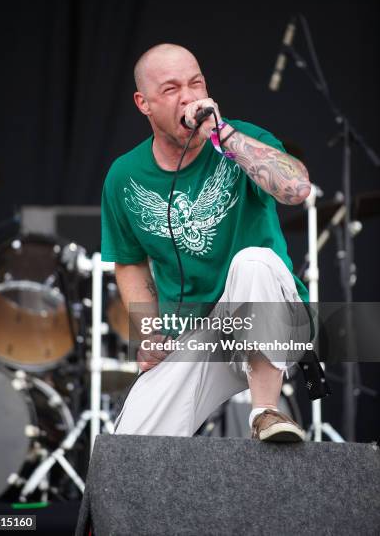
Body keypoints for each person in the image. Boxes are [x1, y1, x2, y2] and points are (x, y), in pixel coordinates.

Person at [101, 43, 313, 441]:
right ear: (143, 103)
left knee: (254, 261)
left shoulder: (242, 140)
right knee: (131, 444)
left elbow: (297, 189)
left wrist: (224, 135)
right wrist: (148, 332)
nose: (190, 97)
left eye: (196, 83)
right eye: (171, 89)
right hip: (196, 332)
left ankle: (266, 412)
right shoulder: (124, 176)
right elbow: (129, 262)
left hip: (270, 316)